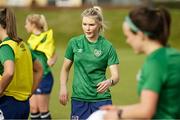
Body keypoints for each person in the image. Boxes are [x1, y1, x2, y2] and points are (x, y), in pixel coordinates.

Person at [100, 6, 180, 119]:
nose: (127, 41)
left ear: (140, 34)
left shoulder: (155, 63)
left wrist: (117, 115)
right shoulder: (175, 55)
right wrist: (120, 109)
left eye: (128, 36)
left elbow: (146, 110)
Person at [59, 6, 120, 119]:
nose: (87, 28)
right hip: (79, 99)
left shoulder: (107, 46)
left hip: (101, 99)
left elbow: (116, 76)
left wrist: (109, 81)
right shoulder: (74, 43)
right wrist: (63, 87)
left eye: (92, 25)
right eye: (84, 24)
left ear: (99, 25)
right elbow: (65, 68)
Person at [0, 8, 42, 119]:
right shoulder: (23, 45)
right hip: (23, 104)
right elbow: (39, 69)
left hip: (7, 103)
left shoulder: (6, 47)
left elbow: (9, 72)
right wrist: (29, 93)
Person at [25, 14, 57, 119]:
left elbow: (53, 53)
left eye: (27, 24)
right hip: (33, 78)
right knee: (33, 109)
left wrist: (52, 59)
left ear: (33, 24)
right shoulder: (30, 40)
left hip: (44, 77)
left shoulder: (45, 38)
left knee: (43, 109)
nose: (25, 26)